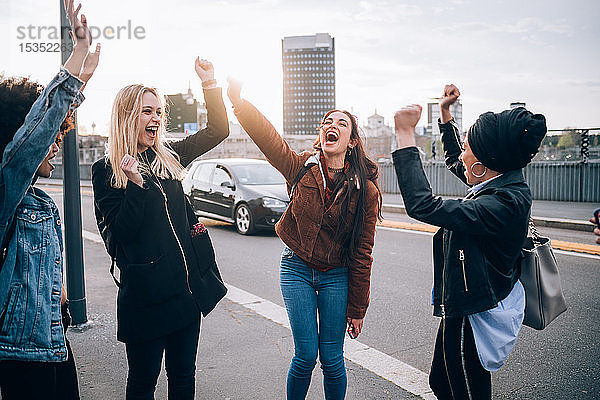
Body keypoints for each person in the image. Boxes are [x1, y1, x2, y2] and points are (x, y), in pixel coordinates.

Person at [227, 78, 381, 399]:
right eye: (327, 122)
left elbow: (363, 252)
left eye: (341, 123)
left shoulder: (365, 191)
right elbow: (269, 138)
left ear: (351, 141)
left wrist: (358, 307)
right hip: (295, 269)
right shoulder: (301, 168)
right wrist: (239, 103)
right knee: (305, 355)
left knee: (332, 359)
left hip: (336, 275)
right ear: (321, 134)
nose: (332, 126)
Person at [392, 84, 547, 400]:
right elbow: (455, 161)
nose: (461, 154)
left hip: (474, 316)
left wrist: (405, 134)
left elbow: (422, 205)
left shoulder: (501, 204)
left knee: (466, 393)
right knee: (442, 382)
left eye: (467, 147)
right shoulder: (498, 183)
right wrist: (445, 115)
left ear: (484, 162)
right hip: (467, 305)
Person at [91, 58, 229, 400]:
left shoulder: (168, 157)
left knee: (183, 378)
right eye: (147, 112)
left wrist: (210, 84)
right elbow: (117, 239)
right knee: (143, 382)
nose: (156, 119)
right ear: (126, 117)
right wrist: (136, 187)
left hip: (185, 294)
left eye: (158, 112)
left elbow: (218, 131)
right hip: (145, 299)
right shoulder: (105, 171)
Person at [0, 1, 99, 399]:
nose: (58, 141)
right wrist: (75, 60)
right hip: (20, 354)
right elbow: (35, 133)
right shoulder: (7, 192)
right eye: (55, 133)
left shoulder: (40, 203)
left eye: (64, 132)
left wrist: (82, 86)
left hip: (54, 341)